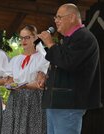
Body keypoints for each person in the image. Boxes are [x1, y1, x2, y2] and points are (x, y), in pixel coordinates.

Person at [38, 3, 103, 134]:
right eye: (55, 17)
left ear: (72, 17)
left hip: (68, 104)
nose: (55, 20)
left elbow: (68, 63)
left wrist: (50, 43)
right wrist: (45, 76)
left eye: (59, 17)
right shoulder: (69, 39)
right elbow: (62, 66)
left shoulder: (84, 37)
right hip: (57, 103)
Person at [1, 25, 49, 134]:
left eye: (27, 37)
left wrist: (23, 85)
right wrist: (8, 84)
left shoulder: (42, 57)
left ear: (35, 38)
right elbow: (9, 81)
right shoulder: (15, 60)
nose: (24, 40)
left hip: (33, 99)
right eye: (21, 38)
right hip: (15, 99)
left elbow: (39, 83)